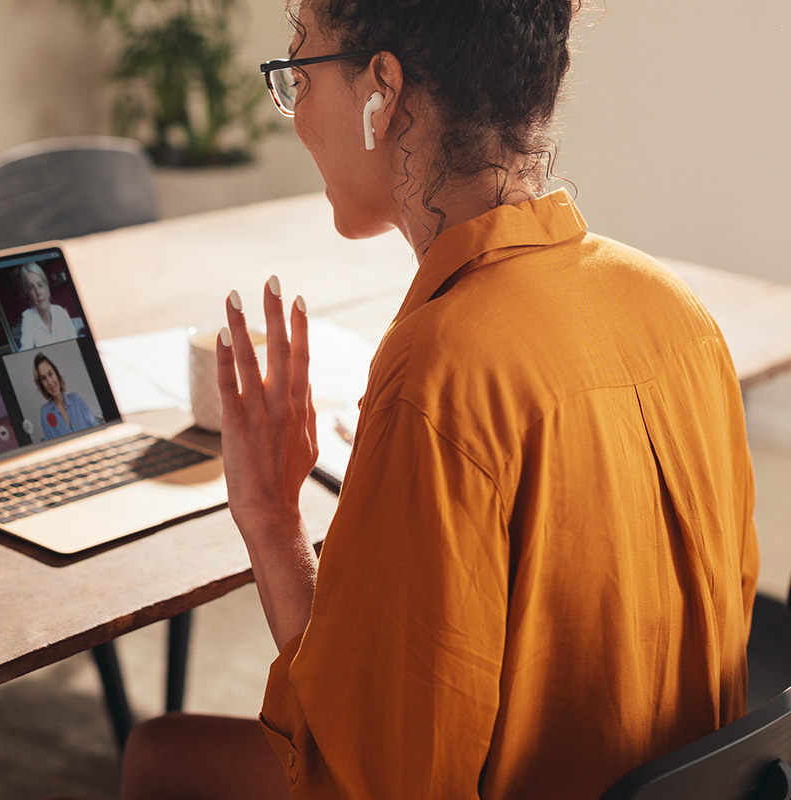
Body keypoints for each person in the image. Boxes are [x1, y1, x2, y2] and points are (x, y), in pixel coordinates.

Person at [119, 1, 758, 798]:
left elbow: (373, 780)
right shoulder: (677, 314)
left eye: (298, 69)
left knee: (158, 758)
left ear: (381, 89)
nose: (295, 117)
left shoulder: (442, 372)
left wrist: (271, 519)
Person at [33, 353, 96, 439]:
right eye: (44, 379)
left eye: (50, 374)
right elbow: (50, 445)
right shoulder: (45, 412)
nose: (50, 382)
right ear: (41, 385)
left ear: (57, 374)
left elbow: (95, 426)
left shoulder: (76, 399)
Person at [18, 262, 78, 350]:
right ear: (28, 293)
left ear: (47, 287)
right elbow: (25, 352)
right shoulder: (28, 318)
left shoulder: (60, 312)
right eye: (31, 288)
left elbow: (76, 346)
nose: (38, 292)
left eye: (40, 285)